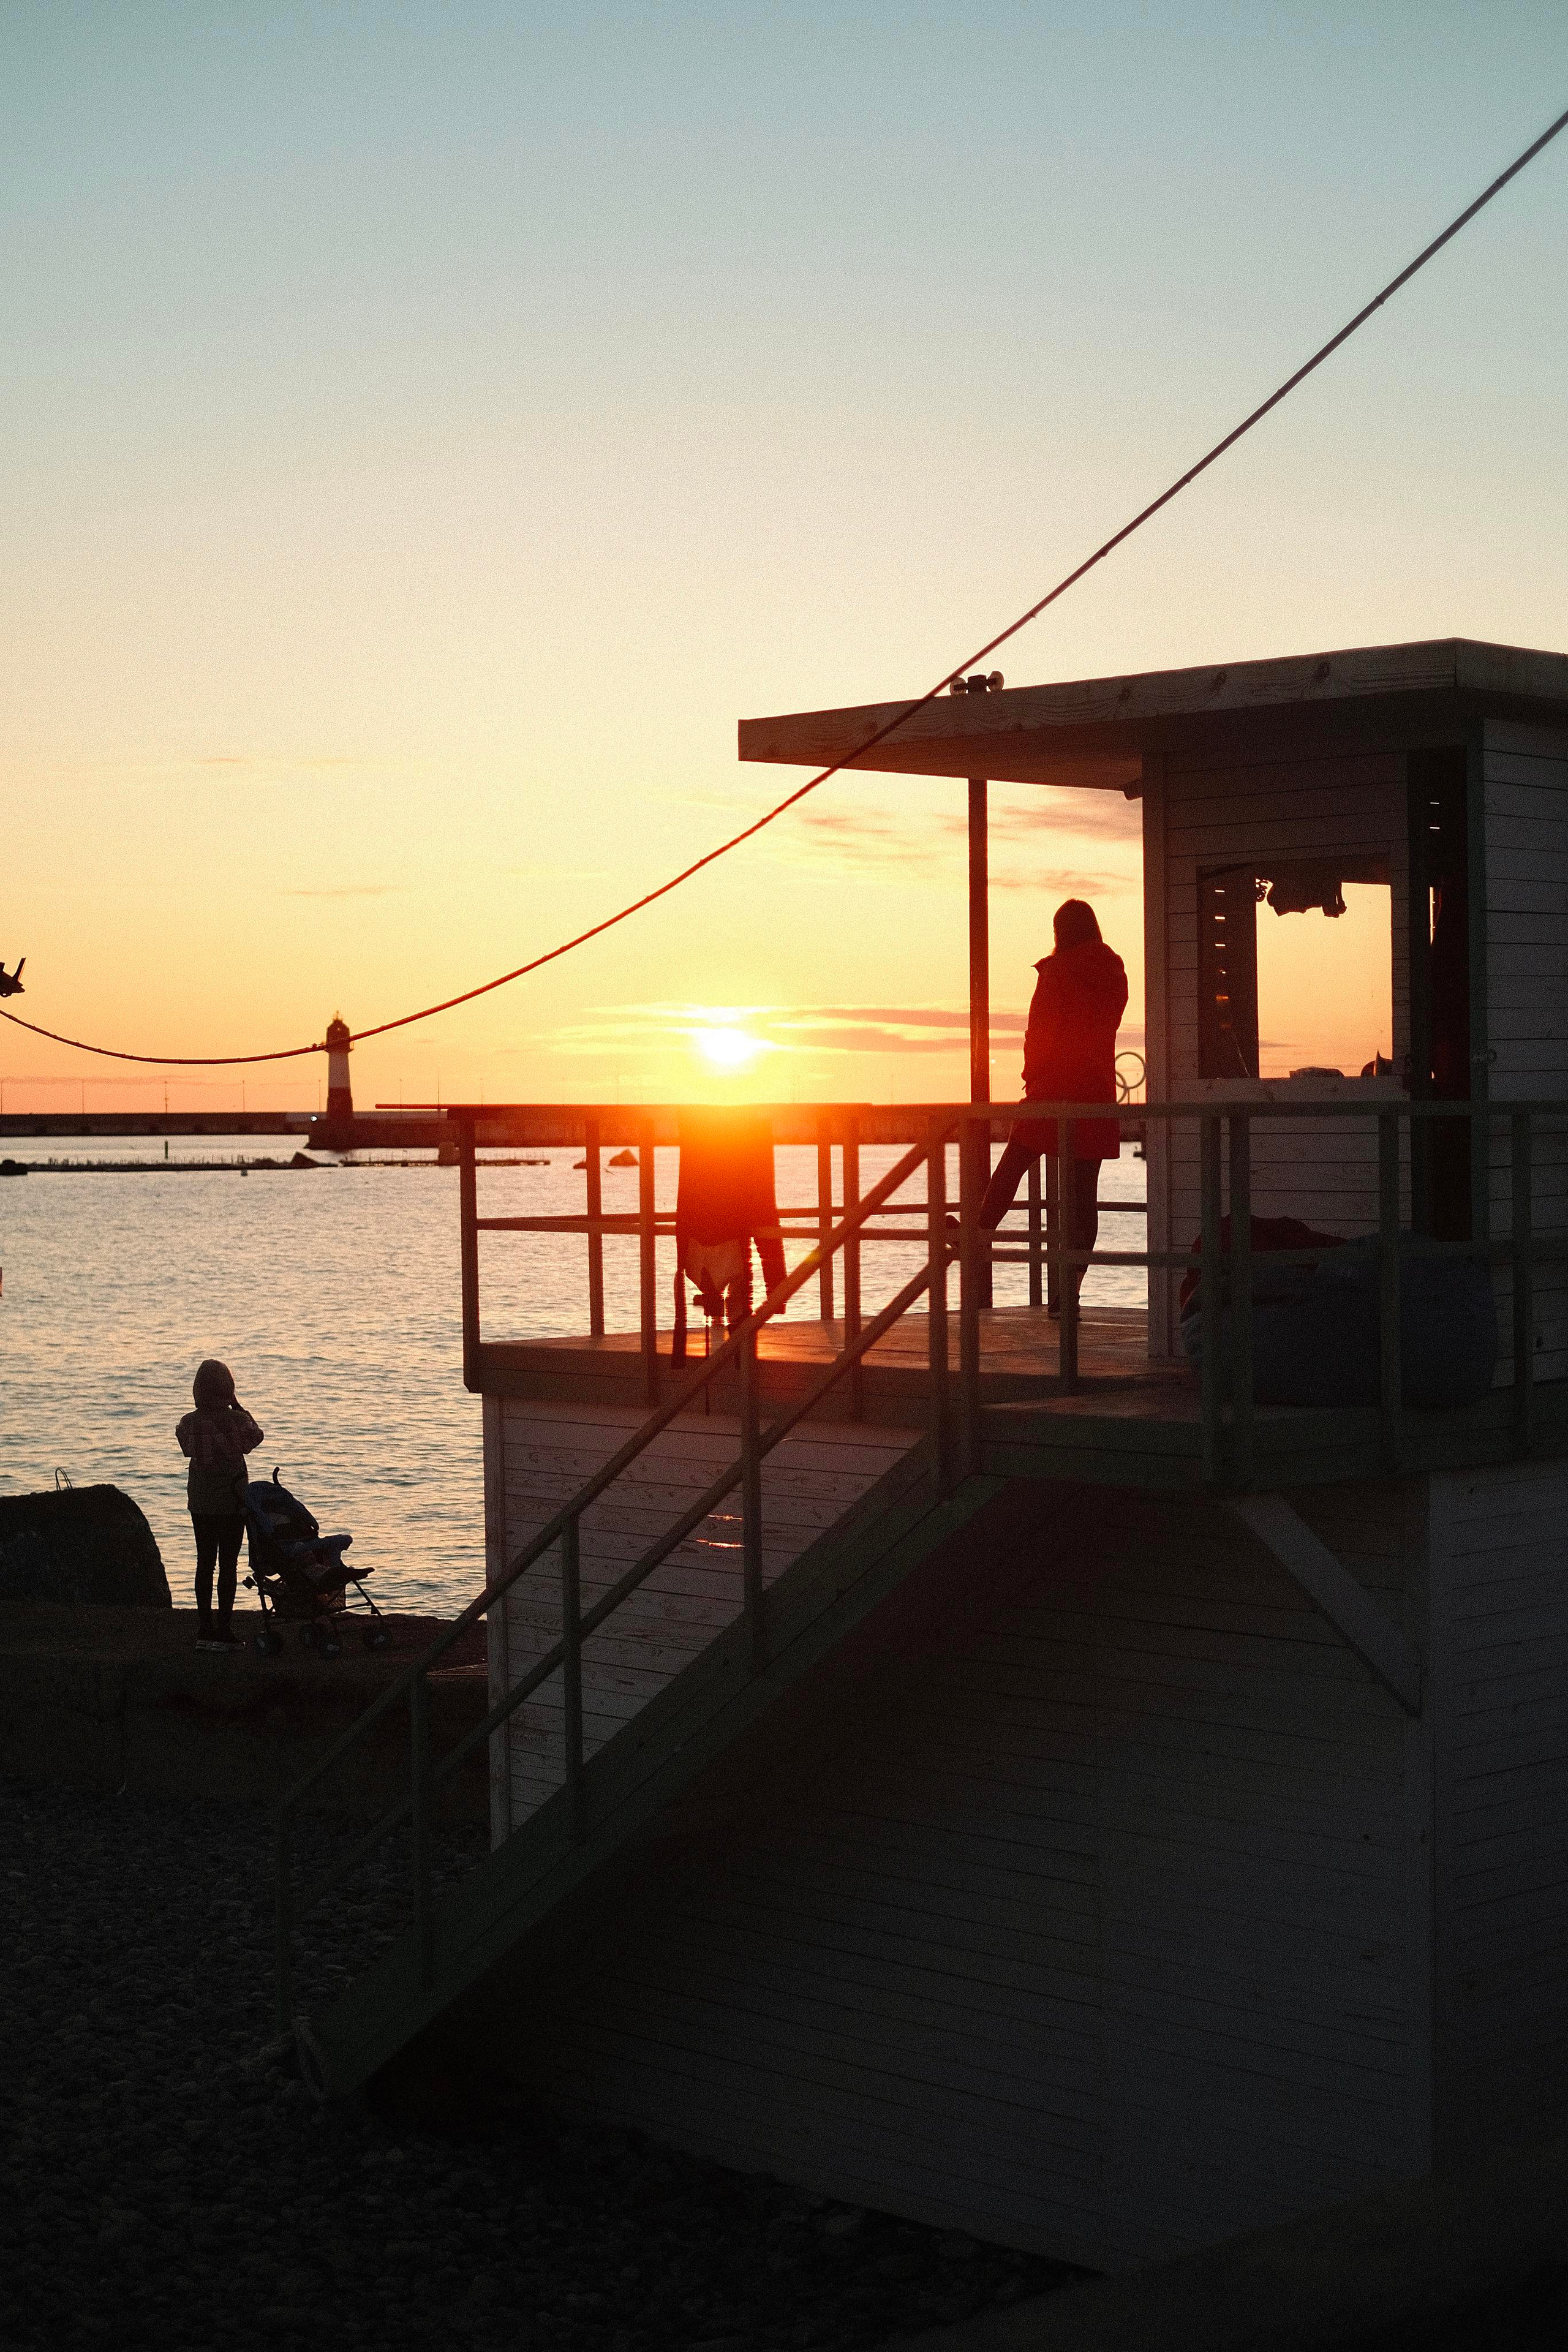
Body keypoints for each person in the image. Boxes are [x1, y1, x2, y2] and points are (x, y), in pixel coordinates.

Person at [979, 899, 1128, 1312]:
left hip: (1053, 1090)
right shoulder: (1115, 973)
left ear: (1062, 931)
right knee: (1085, 1197)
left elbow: (1039, 1032)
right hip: (1096, 1092)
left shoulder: (1057, 971)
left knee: (1014, 1161)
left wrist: (1032, 1077)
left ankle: (977, 1235)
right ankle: (1070, 1290)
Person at [175, 1360, 263, 1651]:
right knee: (228, 1565)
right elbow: (256, 1438)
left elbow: (187, 1447)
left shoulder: (188, 1422)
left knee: (204, 1563)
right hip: (232, 1501)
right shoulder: (237, 1421)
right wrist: (237, 1406)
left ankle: (204, 1628)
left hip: (200, 1502)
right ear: (228, 1389)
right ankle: (224, 1629)